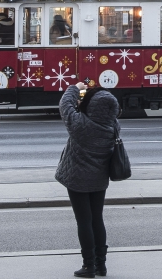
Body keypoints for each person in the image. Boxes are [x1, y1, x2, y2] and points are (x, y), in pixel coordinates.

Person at [56, 82, 120, 277]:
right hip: (99, 179)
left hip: (77, 179)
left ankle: (88, 266)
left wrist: (75, 87)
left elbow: (64, 105)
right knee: (97, 219)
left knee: (84, 221)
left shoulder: (80, 124)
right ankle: (101, 265)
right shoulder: (113, 126)